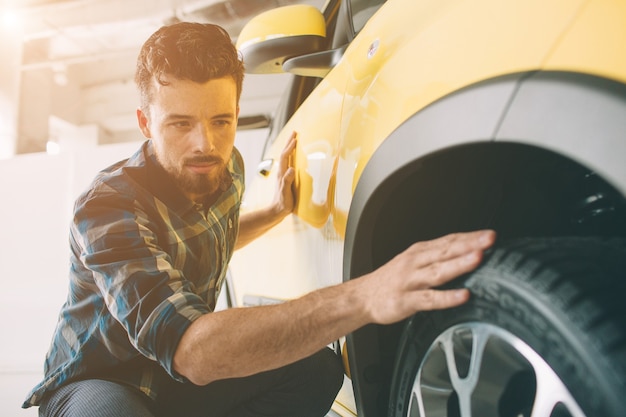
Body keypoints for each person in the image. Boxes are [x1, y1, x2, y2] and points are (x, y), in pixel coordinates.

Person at [22, 22, 496, 417]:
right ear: (146, 123)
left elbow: (214, 238)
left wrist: (273, 212)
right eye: (180, 123)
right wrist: (366, 295)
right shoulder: (107, 206)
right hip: (103, 379)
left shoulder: (227, 172)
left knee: (317, 369)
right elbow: (193, 350)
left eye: (221, 121)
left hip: (174, 385)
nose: (204, 144)